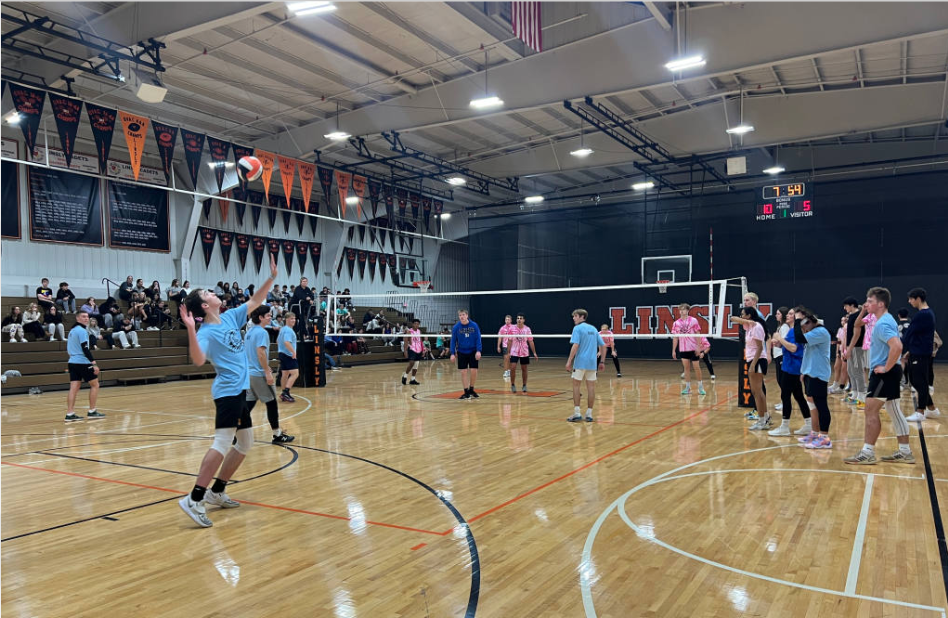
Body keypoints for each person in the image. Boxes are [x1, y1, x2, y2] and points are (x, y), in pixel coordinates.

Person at [177, 253, 278, 528]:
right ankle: (194, 498)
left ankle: (217, 491)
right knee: (222, 443)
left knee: (245, 443)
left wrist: (271, 278)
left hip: (239, 391)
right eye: (208, 292)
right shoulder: (206, 333)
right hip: (227, 392)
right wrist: (190, 329)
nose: (213, 292)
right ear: (204, 304)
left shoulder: (231, 317)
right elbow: (198, 360)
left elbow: (256, 301)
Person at [843, 287, 913, 465]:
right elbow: (857, 324)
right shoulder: (882, 319)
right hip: (889, 372)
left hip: (884, 374)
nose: (866, 304)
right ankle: (905, 451)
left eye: (870, 301)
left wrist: (886, 367)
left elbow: (897, 346)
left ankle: (867, 453)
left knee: (870, 410)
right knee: (894, 411)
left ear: (881, 304)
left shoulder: (882, 324)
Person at [246, 306, 295, 444]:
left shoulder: (249, 332)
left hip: (249, 373)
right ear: (260, 317)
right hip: (258, 373)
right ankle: (277, 435)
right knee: (272, 403)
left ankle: (235, 433)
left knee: (248, 404)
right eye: (268, 315)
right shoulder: (262, 333)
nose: (270, 318)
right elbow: (260, 353)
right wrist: (267, 372)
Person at [792, 307, 833, 449]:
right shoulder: (812, 332)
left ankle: (825, 438)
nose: (803, 329)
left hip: (819, 374)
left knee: (821, 405)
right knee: (812, 405)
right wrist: (804, 371)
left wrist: (797, 321)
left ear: (810, 322)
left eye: (804, 325)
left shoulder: (820, 332)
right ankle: (815, 433)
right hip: (810, 373)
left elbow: (798, 338)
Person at [768, 307, 813, 437]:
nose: (788, 315)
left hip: (792, 367)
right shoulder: (793, 331)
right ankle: (808, 424)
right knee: (798, 396)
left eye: (792, 314)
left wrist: (780, 339)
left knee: (786, 395)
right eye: (788, 313)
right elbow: (788, 346)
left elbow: (793, 348)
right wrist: (778, 344)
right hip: (792, 366)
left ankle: (785, 426)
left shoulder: (795, 331)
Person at [903, 288, 940, 421]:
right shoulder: (927, 313)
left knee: (919, 381)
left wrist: (900, 345)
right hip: (918, 351)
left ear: (918, 298)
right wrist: (909, 351)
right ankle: (932, 409)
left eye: (911, 299)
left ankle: (920, 411)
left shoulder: (922, 314)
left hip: (921, 353)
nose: (909, 301)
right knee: (916, 380)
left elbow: (909, 334)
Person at [731, 307, 771, 428]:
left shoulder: (757, 327)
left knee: (758, 391)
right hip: (752, 359)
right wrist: (747, 322)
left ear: (749, 315)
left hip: (757, 360)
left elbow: (759, 347)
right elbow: (733, 319)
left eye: (743, 314)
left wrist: (753, 365)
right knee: (756, 391)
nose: (741, 316)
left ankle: (762, 420)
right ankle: (764, 417)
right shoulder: (749, 326)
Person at [64, 310, 106, 422]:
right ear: (77, 318)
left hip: (72, 362)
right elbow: (85, 348)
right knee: (95, 385)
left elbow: (69, 349)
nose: (86, 318)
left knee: (73, 388)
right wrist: (93, 363)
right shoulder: (82, 331)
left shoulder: (72, 331)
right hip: (82, 362)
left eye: (87, 316)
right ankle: (92, 411)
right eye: (83, 316)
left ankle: (70, 413)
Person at [566, 308, 606, 422]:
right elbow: (603, 346)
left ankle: (577, 413)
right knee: (591, 388)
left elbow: (575, 345)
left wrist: (569, 361)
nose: (573, 318)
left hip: (580, 362)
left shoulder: (577, 328)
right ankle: (589, 414)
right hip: (592, 363)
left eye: (575, 316)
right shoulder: (593, 329)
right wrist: (602, 361)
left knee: (576, 386)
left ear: (581, 317)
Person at [672, 303, 706, 395]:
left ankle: (700, 387)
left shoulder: (693, 320)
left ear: (687, 310)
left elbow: (698, 333)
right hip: (683, 349)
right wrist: (673, 350)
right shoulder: (676, 323)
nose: (681, 311)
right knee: (686, 368)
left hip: (693, 348)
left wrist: (699, 346)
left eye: (683, 309)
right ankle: (688, 388)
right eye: (680, 310)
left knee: (696, 367)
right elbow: (675, 337)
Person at [450, 309, 482, 400]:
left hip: (473, 351)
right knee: (463, 372)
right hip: (461, 351)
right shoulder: (456, 327)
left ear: (467, 315)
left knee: (474, 370)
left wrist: (478, 350)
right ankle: (466, 392)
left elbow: (478, 338)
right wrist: (452, 353)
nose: (462, 317)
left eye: (463, 315)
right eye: (460, 315)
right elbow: (453, 341)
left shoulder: (474, 325)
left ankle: (471, 389)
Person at [842, 296, 867, 408]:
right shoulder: (851, 316)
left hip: (856, 347)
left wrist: (850, 348)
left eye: (846, 305)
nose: (844, 308)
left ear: (852, 305)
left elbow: (857, 335)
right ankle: (855, 393)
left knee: (857, 370)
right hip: (850, 346)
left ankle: (862, 395)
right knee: (850, 370)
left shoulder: (858, 316)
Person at [509, 313, 539, 393]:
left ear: (523, 320)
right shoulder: (512, 328)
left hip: (524, 352)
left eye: (521, 318)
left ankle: (524, 385)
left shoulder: (527, 329)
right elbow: (509, 340)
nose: (519, 319)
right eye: (518, 318)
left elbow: (531, 341)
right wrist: (508, 352)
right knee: (512, 367)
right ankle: (512, 385)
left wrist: (534, 353)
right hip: (514, 351)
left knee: (524, 369)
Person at [277, 312, 299, 403]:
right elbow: (286, 342)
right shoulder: (288, 330)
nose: (293, 320)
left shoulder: (282, 329)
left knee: (285, 374)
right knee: (295, 374)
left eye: (294, 318)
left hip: (282, 354)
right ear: (286, 319)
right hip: (288, 355)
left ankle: (284, 393)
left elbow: (277, 341)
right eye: (291, 319)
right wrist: (293, 352)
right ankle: (285, 392)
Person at [771, 307, 789, 412]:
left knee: (782, 381)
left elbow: (784, 341)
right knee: (780, 380)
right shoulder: (780, 326)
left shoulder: (785, 327)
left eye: (778, 314)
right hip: (777, 354)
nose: (776, 315)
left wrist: (775, 340)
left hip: (782, 354)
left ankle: (785, 403)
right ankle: (783, 401)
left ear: (782, 315)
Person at [829, 316, 849, 394]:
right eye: (841, 320)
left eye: (844, 320)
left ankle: (844, 385)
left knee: (845, 369)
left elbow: (846, 341)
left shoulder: (848, 329)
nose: (842, 322)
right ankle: (835, 383)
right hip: (841, 350)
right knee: (836, 367)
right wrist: (837, 352)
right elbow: (839, 341)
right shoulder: (840, 330)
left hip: (846, 351)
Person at [402, 319, 424, 386]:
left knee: (416, 365)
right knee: (411, 363)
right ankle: (405, 376)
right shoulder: (409, 331)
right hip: (412, 349)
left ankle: (412, 379)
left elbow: (420, 341)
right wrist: (405, 351)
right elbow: (405, 341)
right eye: (415, 323)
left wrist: (422, 350)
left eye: (418, 324)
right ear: (412, 324)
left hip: (419, 349)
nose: (416, 325)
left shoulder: (419, 331)